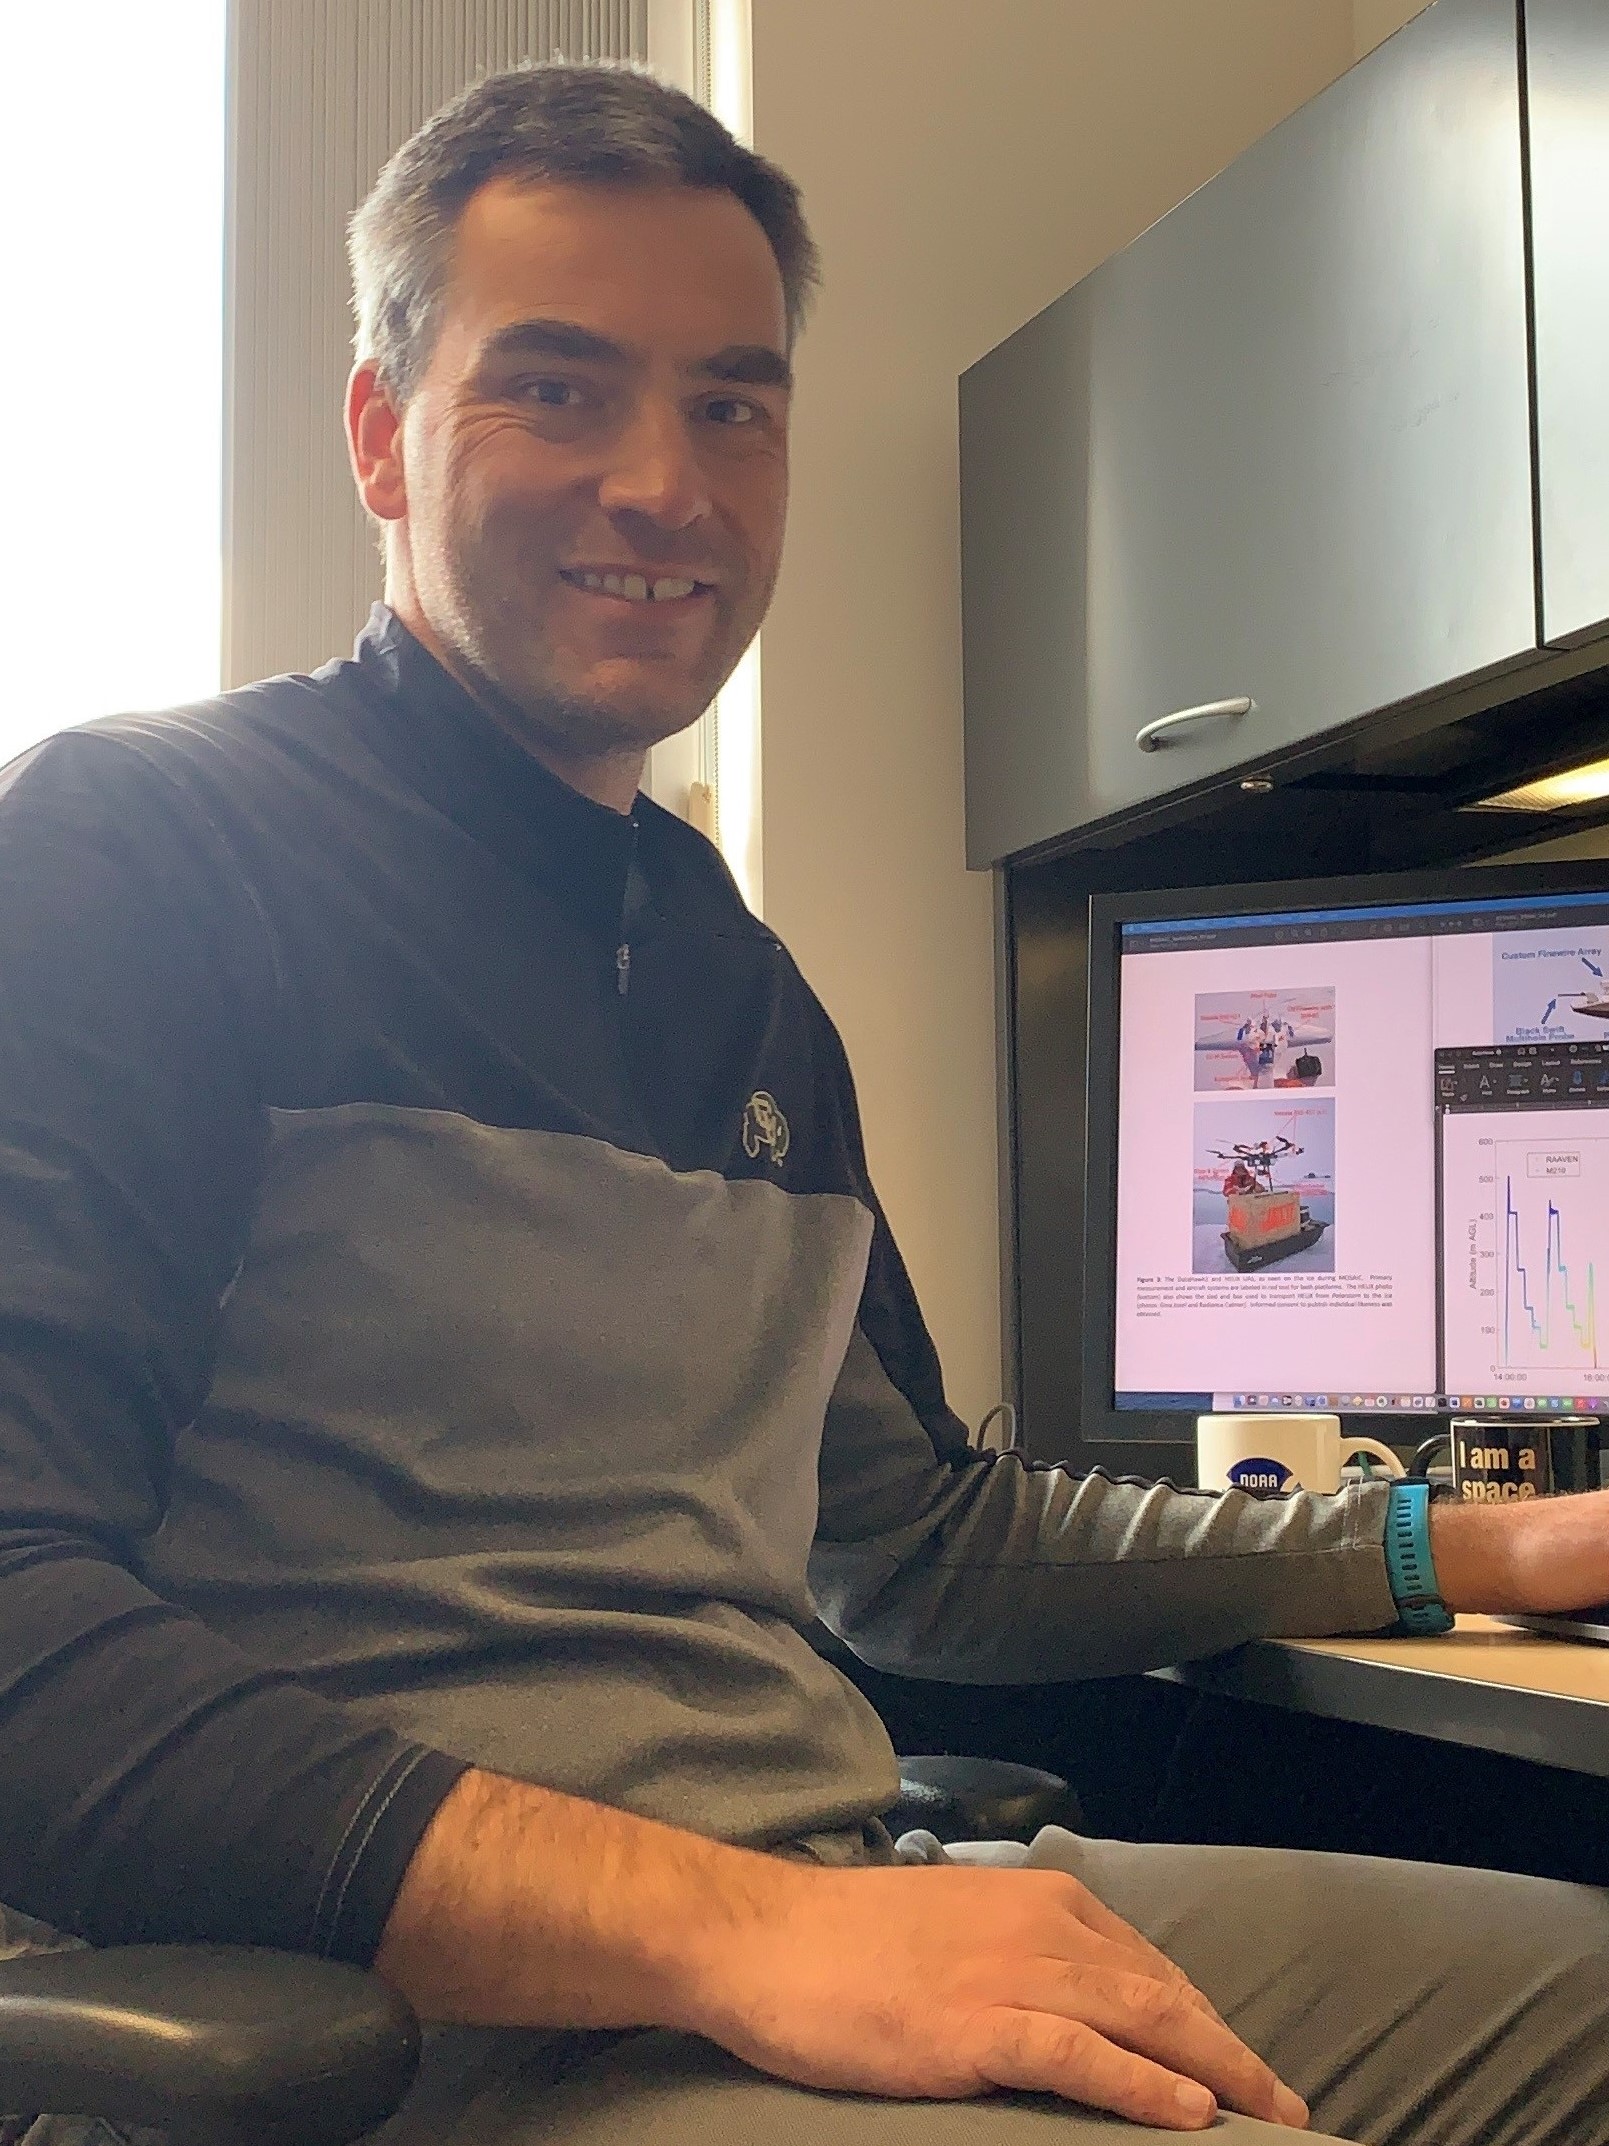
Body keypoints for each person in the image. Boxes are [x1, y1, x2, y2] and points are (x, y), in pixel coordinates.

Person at [0, 63, 1606, 2146]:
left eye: (731, 404)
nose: (665, 483)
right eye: (558, 389)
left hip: (826, 1888)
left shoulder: (736, 981)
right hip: (401, 2011)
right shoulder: (137, 846)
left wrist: (1459, 1533)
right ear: (382, 433)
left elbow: (918, 1542)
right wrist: (729, 1930)